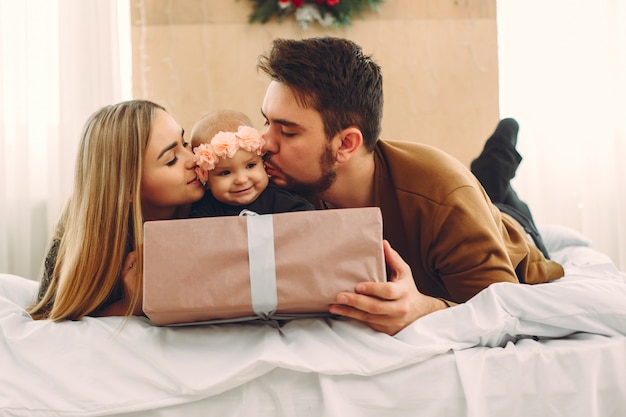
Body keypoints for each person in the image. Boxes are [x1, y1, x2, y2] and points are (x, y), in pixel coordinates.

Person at [257, 36, 565, 335]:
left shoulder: (443, 199)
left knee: (495, 194)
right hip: (455, 204)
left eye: (287, 131)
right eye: (266, 122)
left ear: (346, 144)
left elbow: (502, 313)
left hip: (513, 239)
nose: (263, 142)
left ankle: (498, 162)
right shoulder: (282, 179)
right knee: (483, 190)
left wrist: (423, 309)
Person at [28, 99, 206, 321]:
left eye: (185, 142)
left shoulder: (214, 196)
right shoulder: (83, 225)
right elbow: (52, 313)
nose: (194, 159)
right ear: (128, 189)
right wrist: (131, 304)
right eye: (171, 160)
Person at [188, 109, 314, 217]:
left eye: (250, 165)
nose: (241, 180)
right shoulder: (205, 210)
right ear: (205, 178)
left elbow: (309, 223)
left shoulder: (281, 200)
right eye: (225, 173)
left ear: (262, 161)